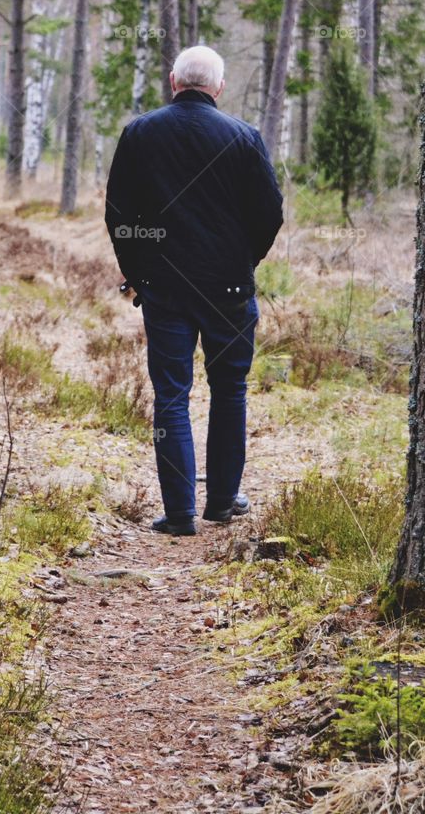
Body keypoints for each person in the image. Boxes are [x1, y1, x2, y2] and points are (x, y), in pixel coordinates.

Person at [105, 45, 284, 535]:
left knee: (171, 396)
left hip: (163, 290)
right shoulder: (244, 137)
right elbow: (270, 213)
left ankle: (180, 512)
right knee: (230, 392)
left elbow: (118, 215)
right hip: (228, 288)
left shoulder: (140, 133)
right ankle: (223, 502)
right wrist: (243, 261)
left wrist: (139, 275)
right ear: (219, 88)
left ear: (173, 80)